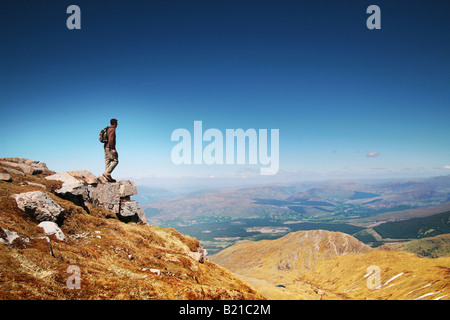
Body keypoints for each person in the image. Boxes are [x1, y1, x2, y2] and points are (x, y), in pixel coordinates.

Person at [103, 118, 119, 182]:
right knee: (115, 161)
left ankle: (107, 177)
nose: (117, 124)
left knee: (107, 160)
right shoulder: (112, 129)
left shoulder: (107, 129)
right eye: (117, 123)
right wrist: (113, 149)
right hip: (110, 147)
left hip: (105, 147)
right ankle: (107, 173)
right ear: (114, 123)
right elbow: (111, 140)